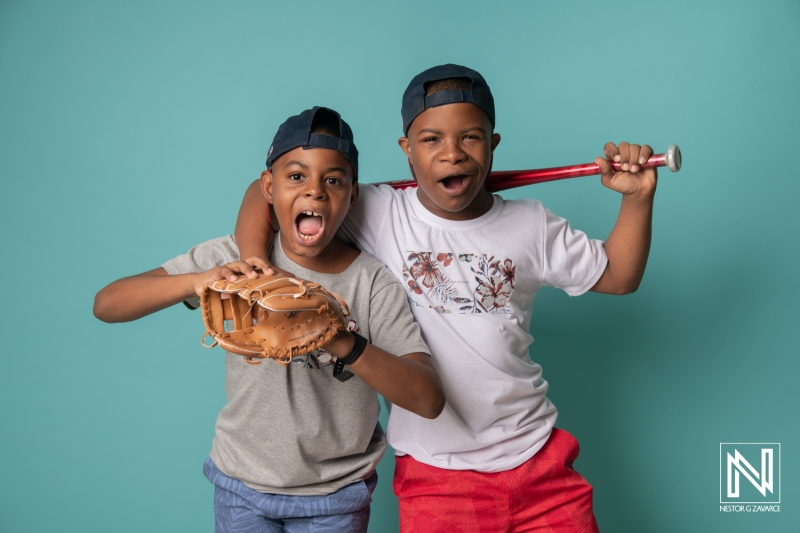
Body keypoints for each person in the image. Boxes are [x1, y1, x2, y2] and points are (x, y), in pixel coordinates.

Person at [234, 65, 658, 532]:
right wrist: (259, 268)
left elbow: (618, 275)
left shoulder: (532, 225)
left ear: (493, 145)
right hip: (438, 476)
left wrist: (636, 199)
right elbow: (263, 191)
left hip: (537, 458)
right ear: (407, 151)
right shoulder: (376, 211)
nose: (452, 154)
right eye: (432, 140)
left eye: (470, 138)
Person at [94, 106, 445, 533]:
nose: (314, 192)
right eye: (296, 176)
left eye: (332, 180)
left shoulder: (371, 282)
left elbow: (428, 399)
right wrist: (200, 282)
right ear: (268, 188)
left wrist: (339, 340)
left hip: (334, 495)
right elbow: (107, 304)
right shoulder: (233, 261)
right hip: (241, 485)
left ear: (352, 196)